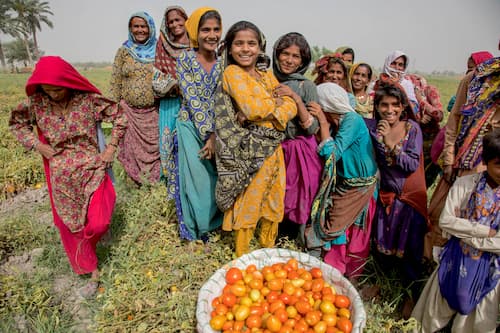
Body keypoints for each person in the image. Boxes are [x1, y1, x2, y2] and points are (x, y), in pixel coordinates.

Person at [9, 56, 127, 296]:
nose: (54, 94)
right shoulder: (36, 104)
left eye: (58, 88)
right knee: (72, 224)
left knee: (98, 221)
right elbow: (16, 124)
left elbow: (120, 116)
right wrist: (36, 145)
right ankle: (92, 270)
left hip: (92, 167)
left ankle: (96, 241)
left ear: (68, 82)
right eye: (48, 89)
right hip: (61, 173)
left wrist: (111, 148)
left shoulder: (87, 100)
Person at [214, 21, 297, 257]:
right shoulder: (232, 73)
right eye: (239, 43)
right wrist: (277, 107)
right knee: (250, 201)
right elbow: (251, 108)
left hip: (273, 148)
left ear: (260, 47)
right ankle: (242, 258)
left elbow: (290, 105)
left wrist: (274, 109)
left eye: (251, 43)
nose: (245, 49)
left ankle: (267, 253)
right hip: (251, 150)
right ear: (229, 48)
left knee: (273, 199)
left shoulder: (265, 75)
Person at [412, 129, 500, 333]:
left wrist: (468, 236)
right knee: (435, 310)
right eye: (498, 165)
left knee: (475, 320)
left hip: (490, 266)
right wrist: (484, 232)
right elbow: (446, 221)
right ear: (486, 162)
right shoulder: (466, 184)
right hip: (456, 257)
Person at [365, 83, 428, 318]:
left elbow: (411, 164)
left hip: (409, 198)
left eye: (394, 105)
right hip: (389, 195)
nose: (389, 109)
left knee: (411, 252)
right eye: (384, 105)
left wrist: (391, 144)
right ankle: (381, 286)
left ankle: (410, 296)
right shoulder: (374, 129)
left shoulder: (412, 129)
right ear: (377, 107)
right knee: (382, 246)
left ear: (402, 107)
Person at [305, 83, 377, 279]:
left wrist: (322, 121)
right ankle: (334, 270)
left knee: (348, 231)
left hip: (359, 188)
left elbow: (332, 155)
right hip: (347, 185)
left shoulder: (352, 120)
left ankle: (347, 274)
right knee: (341, 228)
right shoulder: (340, 122)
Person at [164, 7, 223, 240]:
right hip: (191, 127)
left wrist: (216, 134)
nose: (212, 35)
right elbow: (192, 99)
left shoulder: (224, 62)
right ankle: (196, 230)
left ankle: (213, 225)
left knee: (214, 180)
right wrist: (209, 135)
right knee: (196, 181)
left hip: (218, 132)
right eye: (206, 29)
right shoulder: (185, 59)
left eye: (216, 29)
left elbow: (224, 100)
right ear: (195, 33)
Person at [271, 32, 322, 244]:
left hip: (299, 153)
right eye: (285, 54)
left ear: (303, 61)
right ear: (276, 54)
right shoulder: (266, 78)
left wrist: (295, 99)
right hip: (272, 149)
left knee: (295, 200)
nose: (289, 60)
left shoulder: (306, 86)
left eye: (296, 56)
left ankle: (292, 243)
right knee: (272, 199)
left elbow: (313, 128)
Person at [110, 11, 160, 184]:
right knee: (131, 153)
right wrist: (114, 110)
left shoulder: (160, 50)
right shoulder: (124, 51)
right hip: (129, 113)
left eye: (143, 26)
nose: (140, 30)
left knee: (156, 152)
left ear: (151, 28)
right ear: (130, 29)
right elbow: (115, 81)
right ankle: (137, 188)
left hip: (154, 113)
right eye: (136, 26)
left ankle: (155, 188)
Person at [152, 6, 190, 182]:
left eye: (178, 20)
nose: (175, 24)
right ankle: (170, 186)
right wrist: (174, 85)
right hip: (170, 102)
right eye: (170, 22)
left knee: (188, 146)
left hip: (192, 103)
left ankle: (188, 183)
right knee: (168, 144)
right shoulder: (162, 44)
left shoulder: (196, 42)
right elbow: (156, 74)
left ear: (185, 20)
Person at [407, 73, 444, 187]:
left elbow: (439, 115)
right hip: (410, 145)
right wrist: (418, 120)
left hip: (430, 147)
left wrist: (421, 100)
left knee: (424, 183)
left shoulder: (429, 91)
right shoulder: (404, 90)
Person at [378, 50, 419, 114]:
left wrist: (397, 85)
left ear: (404, 67)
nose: (396, 67)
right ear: (388, 63)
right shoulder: (378, 83)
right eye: (393, 63)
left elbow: (415, 108)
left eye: (400, 65)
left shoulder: (407, 84)